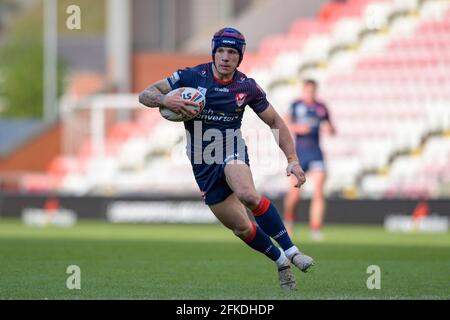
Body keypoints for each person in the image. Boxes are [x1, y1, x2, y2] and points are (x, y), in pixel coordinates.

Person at [139, 27, 314, 290]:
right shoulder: (190, 76)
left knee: (247, 194)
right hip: (202, 159)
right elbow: (145, 94)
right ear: (213, 53)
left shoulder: (246, 86)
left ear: (239, 57)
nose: (225, 57)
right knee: (242, 228)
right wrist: (167, 99)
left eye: (232, 52)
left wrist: (292, 158)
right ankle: (280, 261)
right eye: (220, 51)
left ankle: (291, 250)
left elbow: (276, 121)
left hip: (230, 147)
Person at [283, 79, 336, 241]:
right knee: (295, 193)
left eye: (312, 91)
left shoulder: (321, 108)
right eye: (307, 91)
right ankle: (289, 221)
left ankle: (315, 228)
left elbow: (332, 128)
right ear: (303, 90)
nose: (310, 94)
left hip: (316, 153)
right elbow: (284, 124)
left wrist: (329, 128)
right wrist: (297, 128)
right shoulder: (295, 105)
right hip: (298, 154)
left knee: (319, 190)